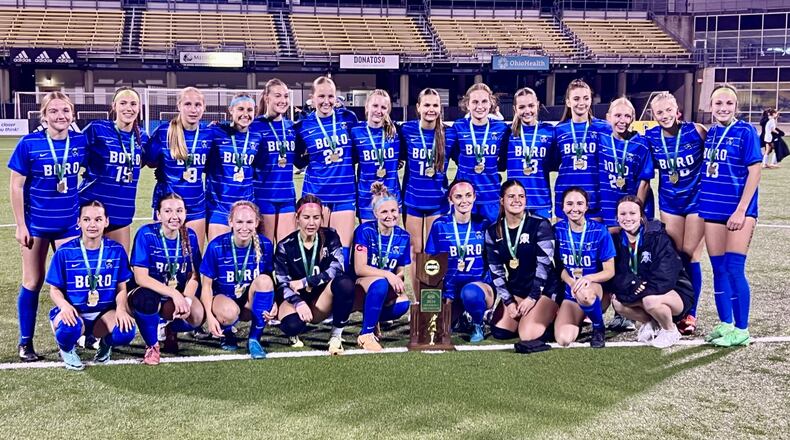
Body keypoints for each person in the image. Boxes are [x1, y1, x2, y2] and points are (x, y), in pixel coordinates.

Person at [8, 91, 87, 362]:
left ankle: (72, 333)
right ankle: (25, 342)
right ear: (44, 115)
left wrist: (85, 211)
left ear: (73, 114)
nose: (60, 116)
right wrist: (21, 225)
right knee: (33, 281)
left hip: (68, 225)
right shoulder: (29, 144)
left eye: (65, 111)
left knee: (70, 283)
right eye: (53, 111)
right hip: (37, 225)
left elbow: (92, 172)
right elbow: (16, 186)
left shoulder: (80, 141)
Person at [699, 85, 762, 347]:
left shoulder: (745, 131)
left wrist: (741, 210)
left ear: (736, 106)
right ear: (710, 107)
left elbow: (755, 172)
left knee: (735, 269)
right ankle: (725, 324)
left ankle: (742, 328)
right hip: (712, 210)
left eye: (728, 103)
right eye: (718, 104)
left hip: (739, 213)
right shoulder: (711, 133)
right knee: (718, 270)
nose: (723, 108)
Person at [643, 92, 707, 335]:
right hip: (670, 203)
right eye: (659, 112)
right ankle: (676, 307)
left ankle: (691, 313)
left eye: (669, 110)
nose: (665, 115)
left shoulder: (696, 131)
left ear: (677, 109)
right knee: (674, 257)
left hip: (696, 202)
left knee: (691, 255)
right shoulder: (650, 137)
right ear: (653, 115)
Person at [46, 201, 136, 370]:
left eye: (98, 219)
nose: (92, 224)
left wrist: (122, 309)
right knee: (68, 328)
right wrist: (64, 306)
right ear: (78, 222)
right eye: (87, 219)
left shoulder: (116, 251)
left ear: (106, 221)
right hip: (75, 312)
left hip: (102, 314)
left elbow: (121, 288)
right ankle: (66, 348)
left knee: (126, 330)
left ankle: (105, 344)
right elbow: (54, 290)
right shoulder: (65, 252)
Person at [273, 195, 356, 354]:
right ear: (297, 218)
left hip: (321, 299)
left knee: (344, 283)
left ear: (321, 218)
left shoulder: (331, 236)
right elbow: (282, 283)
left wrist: (305, 282)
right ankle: (294, 333)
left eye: (316, 217)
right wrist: (298, 303)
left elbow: (337, 269)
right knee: (292, 326)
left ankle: (336, 335)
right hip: (296, 299)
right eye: (306, 217)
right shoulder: (285, 246)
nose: (311, 223)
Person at [609, 196, 694, 348]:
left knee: (650, 301)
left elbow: (666, 274)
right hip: (642, 290)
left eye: (632, 213)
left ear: (641, 216)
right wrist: (632, 284)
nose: (627, 218)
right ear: (616, 217)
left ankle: (670, 330)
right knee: (617, 303)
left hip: (674, 292)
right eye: (622, 214)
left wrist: (639, 290)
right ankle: (651, 323)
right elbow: (617, 274)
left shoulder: (656, 236)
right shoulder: (615, 240)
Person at [129, 193, 204, 365]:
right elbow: (141, 278)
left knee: (197, 316)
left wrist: (186, 300)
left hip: (173, 297)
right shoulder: (146, 234)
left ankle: (170, 328)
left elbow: (193, 276)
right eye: (168, 211)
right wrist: (174, 294)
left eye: (179, 211)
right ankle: (152, 345)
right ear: (158, 214)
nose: (174, 216)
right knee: (146, 299)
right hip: (146, 294)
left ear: (185, 213)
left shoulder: (189, 236)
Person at [486, 180, 561, 347]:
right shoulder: (493, 231)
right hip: (518, 289)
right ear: (502, 200)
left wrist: (532, 298)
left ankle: (554, 316)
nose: (516, 200)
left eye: (521, 196)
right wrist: (508, 302)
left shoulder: (540, 224)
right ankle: (529, 317)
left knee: (527, 335)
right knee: (500, 332)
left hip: (544, 290)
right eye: (511, 196)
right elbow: (496, 271)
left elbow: (545, 267)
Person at [293, 76, 358, 265]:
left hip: (344, 194)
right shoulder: (303, 125)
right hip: (315, 195)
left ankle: (337, 293)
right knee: (314, 251)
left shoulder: (348, 119)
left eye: (330, 96)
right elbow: (298, 160)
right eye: (321, 96)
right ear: (312, 98)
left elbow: (356, 152)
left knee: (341, 254)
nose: (326, 101)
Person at [199, 201, 277, 359]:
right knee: (229, 312)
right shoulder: (216, 246)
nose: (244, 227)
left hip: (248, 302)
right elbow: (206, 286)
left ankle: (254, 339)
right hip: (223, 302)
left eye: (249, 222)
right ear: (230, 222)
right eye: (239, 222)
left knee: (264, 282)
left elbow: (269, 279)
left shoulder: (265, 245)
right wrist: (210, 316)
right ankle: (227, 333)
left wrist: (274, 301)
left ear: (256, 222)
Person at [79, 87, 147, 254]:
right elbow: (74, 154)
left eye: (133, 104)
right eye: (123, 103)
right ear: (114, 106)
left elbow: (148, 161)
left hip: (121, 211)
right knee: (87, 264)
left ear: (139, 108)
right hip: (91, 208)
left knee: (118, 267)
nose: (128, 108)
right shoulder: (97, 129)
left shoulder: (143, 137)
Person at [399, 88, 452, 304]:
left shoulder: (449, 135)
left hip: (437, 202)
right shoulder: (406, 130)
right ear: (418, 107)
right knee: (414, 251)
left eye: (435, 105)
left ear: (440, 109)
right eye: (427, 105)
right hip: (412, 201)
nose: (431, 109)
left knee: (432, 254)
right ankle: (416, 301)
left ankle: (431, 297)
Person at [145, 86, 213, 249]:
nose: (193, 109)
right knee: (166, 257)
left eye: (198, 105)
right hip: (168, 205)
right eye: (188, 104)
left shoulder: (209, 134)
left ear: (204, 108)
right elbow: (150, 161)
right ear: (179, 106)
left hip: (196, 205)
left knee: (193, 259)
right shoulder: (164, 132)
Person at [425, 179, 492, 343]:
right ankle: (462, 315)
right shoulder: (440, 225)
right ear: (450, 199)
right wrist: (444, 294)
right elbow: (431, 263)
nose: (464, 201)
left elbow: (492, 261)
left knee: (469, 293)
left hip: (478, 287)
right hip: (451, 288)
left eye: (468, 195)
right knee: (439, 329)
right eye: (459, 196)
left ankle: (478, 323)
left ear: (475, 197)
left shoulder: (483, 224)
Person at [351, 183, 411, 351]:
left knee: (403, 304)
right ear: (375, 213)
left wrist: (397, 279)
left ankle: (372, 317)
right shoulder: (365, 231)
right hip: (361, 285)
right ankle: (366, 334)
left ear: (399, 210)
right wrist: (388, 275)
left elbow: (400, 270)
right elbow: (359, 268)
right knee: (380, 282)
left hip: (383, 285)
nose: (389, 215)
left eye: (393, 211)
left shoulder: (403, 236)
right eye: (384, 212)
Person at [553, 187, 615, 348]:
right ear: (562, 207)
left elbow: (610, 271)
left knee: (585, 294)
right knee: (564, 339)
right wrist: (571, 282)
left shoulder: (599, 231)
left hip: (593, 290)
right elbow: (557, 266)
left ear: (587, 207)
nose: (575, 208)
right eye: (570, 204)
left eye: (580, 204)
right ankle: (583, 314)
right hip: (570, 292)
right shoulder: (556, 231)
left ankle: (598, 326)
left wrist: (588, 278)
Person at [205, 94, 263, 242]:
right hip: (219, 205)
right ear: (231, 110)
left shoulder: (257, 137)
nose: (245, 114)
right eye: (240, 109)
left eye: (249, 110)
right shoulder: (216, 133)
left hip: (246, 206)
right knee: (219, 254)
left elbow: (257, 169)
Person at [449, 83, 509, 224]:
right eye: (475, 102)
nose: (479, 106)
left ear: (491, 104)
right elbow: (455, 154)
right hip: (465, 198)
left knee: (492, 243)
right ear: (467, 104)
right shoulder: (459, 127)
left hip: (491, 197)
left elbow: (503, 160)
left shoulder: (501, 129)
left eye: (484, 101)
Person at [552, 79, 610, 220]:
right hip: (565, 199)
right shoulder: (559, 130)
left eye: (586, 98)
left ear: (591, 100)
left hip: (594, 199)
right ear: (568, 102)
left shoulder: (604, 128)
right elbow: (553, 163)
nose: (581, 103)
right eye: (576, 99)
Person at [251, 79, 297, 242]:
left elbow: (299, 159)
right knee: (265, 249)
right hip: (263, 195)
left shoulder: (292, 127)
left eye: (285, 96)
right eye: (277, 95)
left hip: (287, 196)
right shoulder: (254, 126)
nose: (283, 100)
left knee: (287, 251)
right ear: (266, 97)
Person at [499, 87, 555, 219]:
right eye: (522, 107)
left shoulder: (549, 131)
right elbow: (500, 164)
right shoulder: (508, 134)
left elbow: (554, 162)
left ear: (537, 105)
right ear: (515, 109)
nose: (527, 111)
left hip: (541, 202)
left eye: (531, 106)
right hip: (515, 203)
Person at [353, 89, 401, 222]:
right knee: (369, 239)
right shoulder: (356, 132)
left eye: (383, 107)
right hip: (366, 198)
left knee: (389, 240)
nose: (379, 111)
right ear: (367, 106)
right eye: (375, 106)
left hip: (391, 197)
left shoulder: (396, 133)